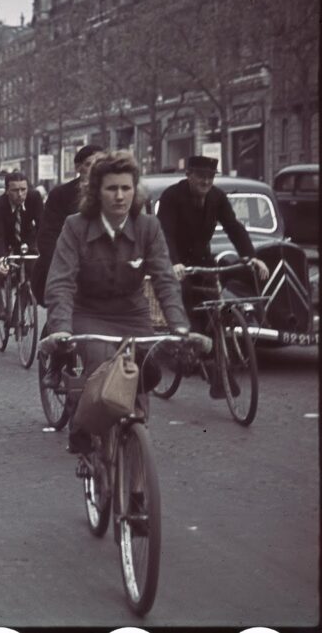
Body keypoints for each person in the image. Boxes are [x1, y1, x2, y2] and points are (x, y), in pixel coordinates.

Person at [40, 151, 189, 454]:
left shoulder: (148, 227)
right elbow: (61, 282)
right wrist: (60, 328)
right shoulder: (75, 226)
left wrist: (180, 326)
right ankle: (83, 425)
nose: (119, 196)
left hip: (132, 313)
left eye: (126, 188)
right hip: (88, 312)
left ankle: (136, 460)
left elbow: (165, 280)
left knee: (143, 375)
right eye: (111, 188)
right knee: (103, 365)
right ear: (96, 191)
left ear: (135, 191)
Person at [156, 154, 269, 398]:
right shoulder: (172, 197)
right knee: (185, 301)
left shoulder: (217, 197)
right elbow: (166, 233)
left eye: (210, 177)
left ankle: (220, 376)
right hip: (176, 261)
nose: (206, 181)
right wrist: (174, 263)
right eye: (200, 176)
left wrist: (250, 256)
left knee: (216, 310)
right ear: (189, 175)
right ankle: (184, 351)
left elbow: (233, 226)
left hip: (202, 260)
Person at [33, 144, 105, 388]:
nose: (96, 170)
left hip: (100, 270)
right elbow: (48, 234)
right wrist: (62, 266)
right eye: (89, 165)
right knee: (66, 318)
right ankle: (56, 366)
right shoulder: (61, 195)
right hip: (65, 267)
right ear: (78, 168)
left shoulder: (109, 192)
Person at [0, 171, 44, 319]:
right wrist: (2, 259)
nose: (20, 194)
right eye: (15, 190)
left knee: (32, 265)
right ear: (7, 191)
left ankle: (20, 304)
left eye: (23, 190)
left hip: (25, 235)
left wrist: (45, 251)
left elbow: (42, 225)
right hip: (0, 235)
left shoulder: (34, 198)